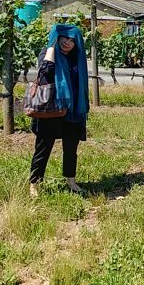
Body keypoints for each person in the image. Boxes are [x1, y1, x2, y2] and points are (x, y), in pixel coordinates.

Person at [29, 23, 90, 197]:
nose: (68, 43)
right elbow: (46, 71)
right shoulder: (48, 53)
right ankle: (35, 183)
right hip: (51, 108)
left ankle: (71, 180)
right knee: (43, 146)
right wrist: (51, 46)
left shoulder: (77, 57)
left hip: (72, 110)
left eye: (72, 40)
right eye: (64, 38)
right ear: (57, 38)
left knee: (71, 147)